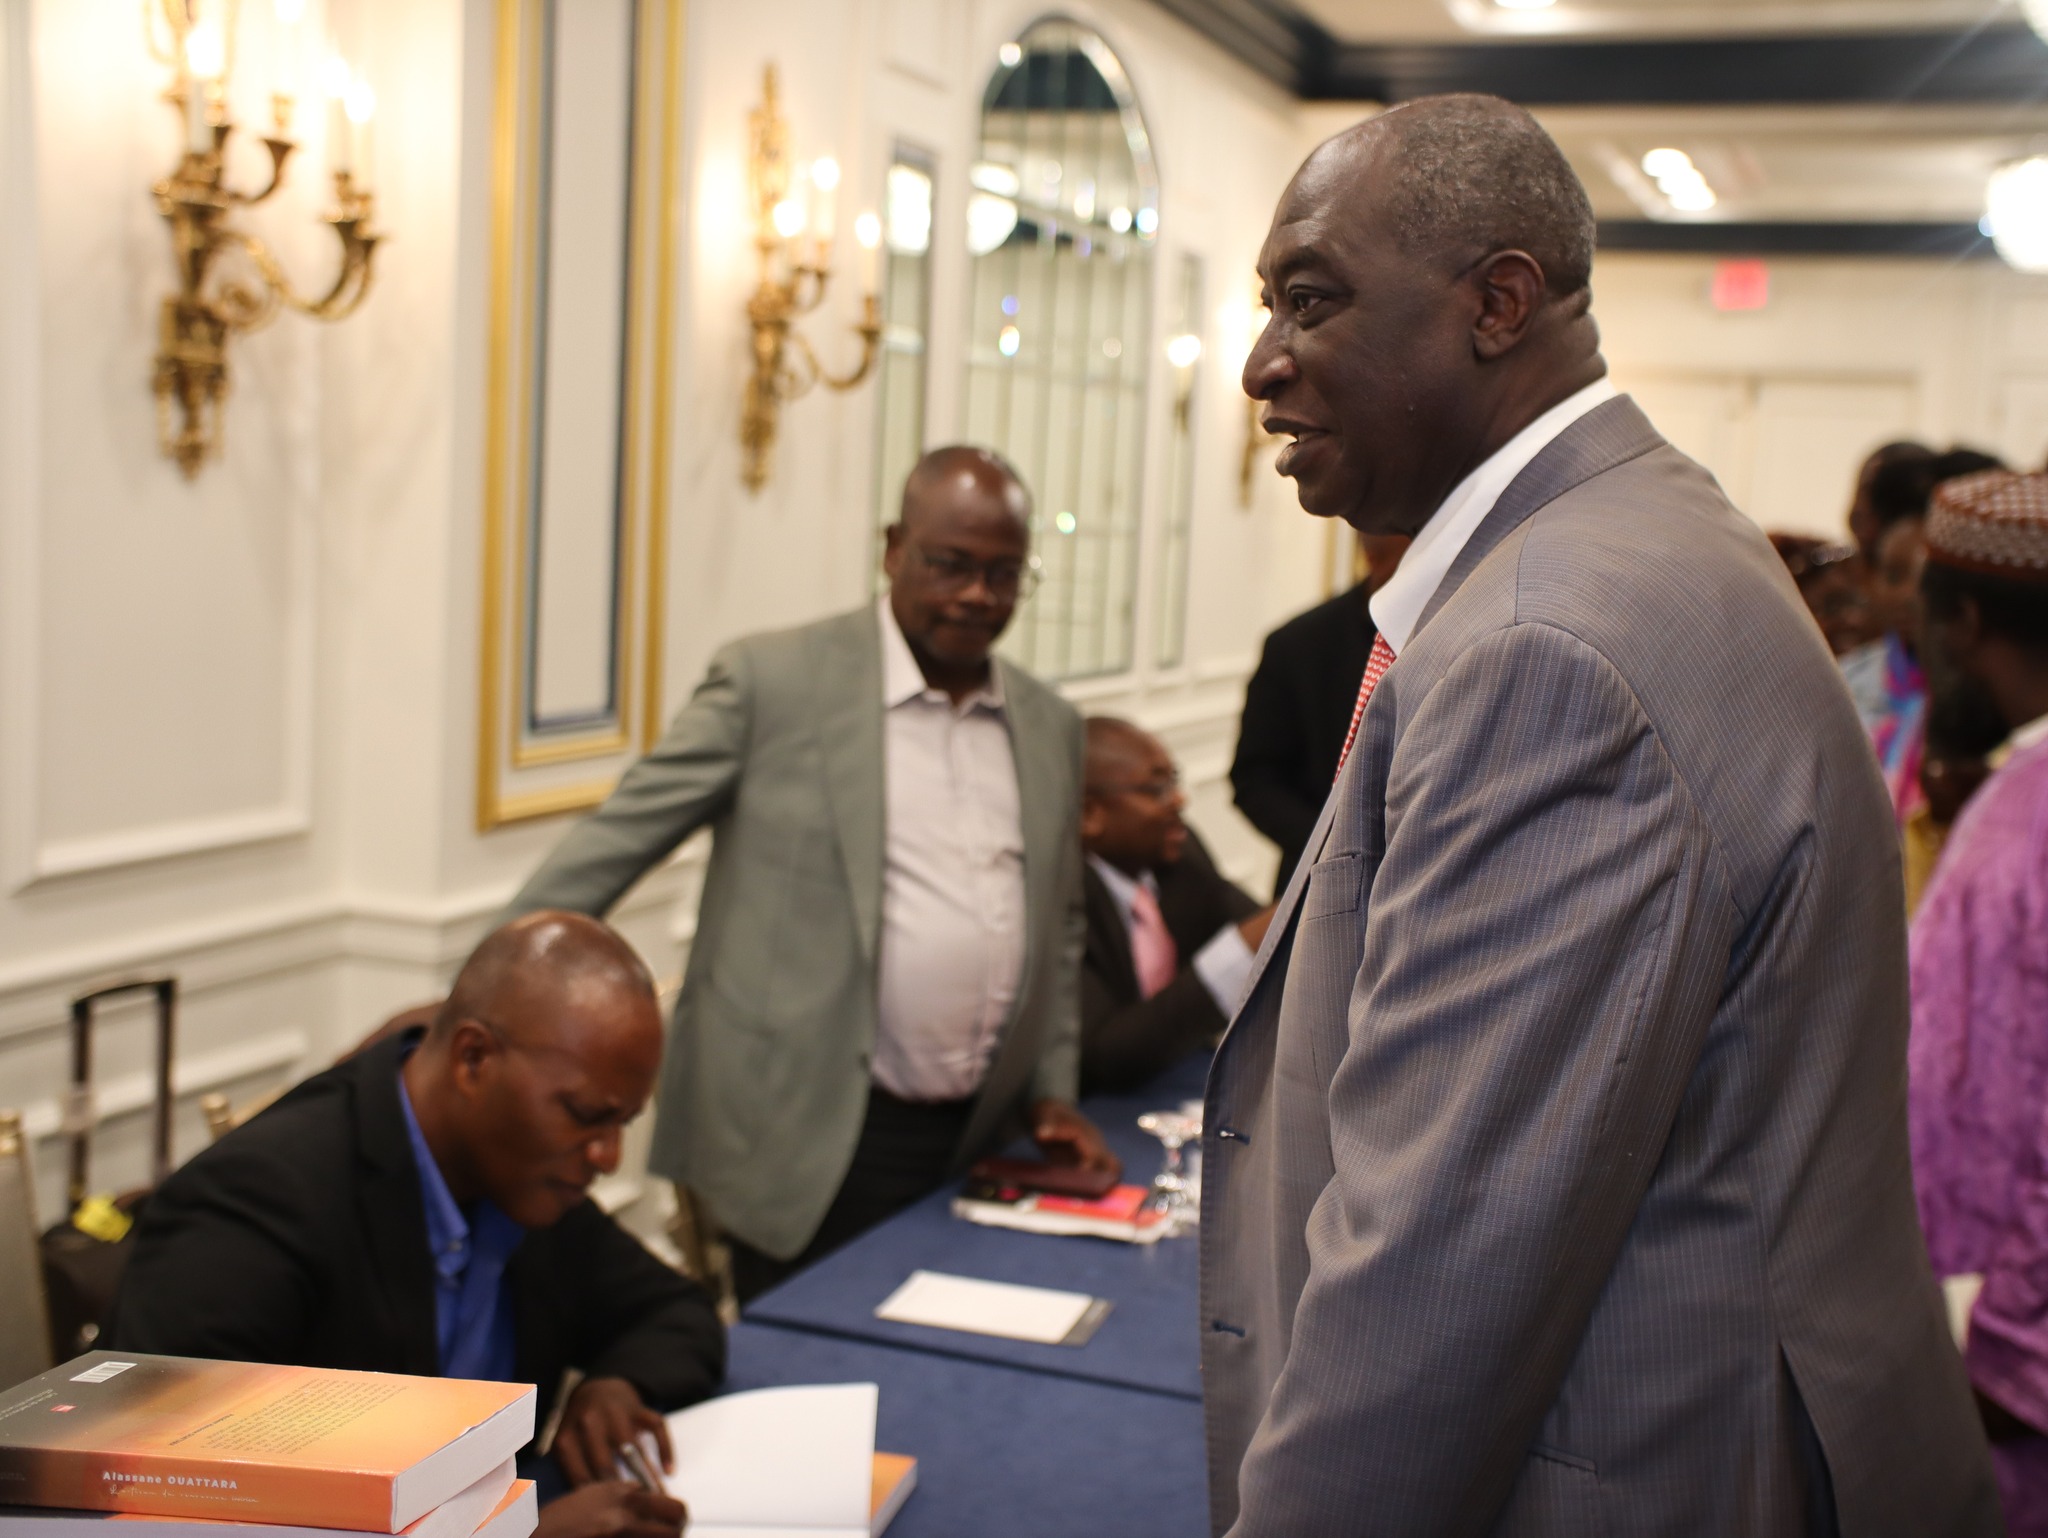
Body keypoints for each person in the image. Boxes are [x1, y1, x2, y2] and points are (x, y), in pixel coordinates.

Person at [1203, 92, 1995, 1535]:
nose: (1261, 360)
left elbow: (1438, 1280)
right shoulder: (1635, 525)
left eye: (1309, 301)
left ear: (1498, 303)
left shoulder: (1544, 648)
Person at [503, 446, 1115, 1303]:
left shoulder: (1050, 723)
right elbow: (619, 837)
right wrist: (491, 987)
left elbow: (1059, 928)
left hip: (981, 1133)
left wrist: (1050, 1092)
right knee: (809, 1364)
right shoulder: (774, 682)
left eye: (1005, 574)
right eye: (951, 564)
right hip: (805, 1132)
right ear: (894, 548)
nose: (978, 595)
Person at [108, 913, 718, 1538]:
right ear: (473, 1059)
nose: (609, 1156)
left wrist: (616, 1385)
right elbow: (176, 1510)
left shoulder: (523, 1179)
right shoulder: (252, 1209)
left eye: (622, 1122)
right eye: (586, 1114)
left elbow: (677, 1311)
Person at [1906, 470, 2048, 1534]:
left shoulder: (2026, 820)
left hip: (2004, 1391)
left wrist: (2005, 1355)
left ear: (1959, 621)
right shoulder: (2009, 792)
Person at [1078, 717, 1272, 1096]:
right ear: (1090, 815)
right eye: (1157, 789)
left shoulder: (1178, 856)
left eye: (1174, 781)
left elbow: (1254, 923)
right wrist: (1242, 949)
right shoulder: (1061, 897)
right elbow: (1107, 1055)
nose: (1179, 800)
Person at [1230, 534, 1409, 895]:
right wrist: (1337, 848)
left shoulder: (1471, 635)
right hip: (1316, 885)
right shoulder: (1299, 643)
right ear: (1371, 557)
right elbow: (1255, 778)